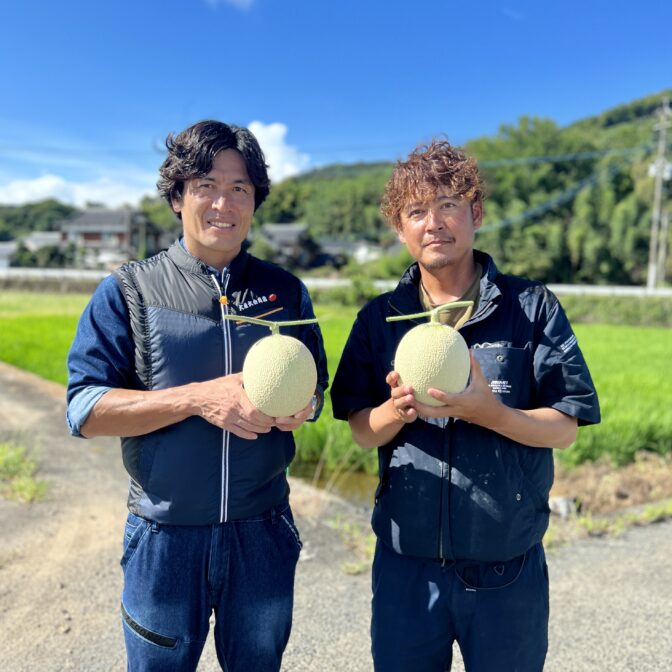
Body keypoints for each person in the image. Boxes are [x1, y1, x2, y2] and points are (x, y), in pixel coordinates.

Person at [66, 120, 328, 672]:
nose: (223, 204)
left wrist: (304, 407)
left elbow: (317, 386)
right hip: (164, 537)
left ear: (255, 201)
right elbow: (85, 409)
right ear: (177, 196)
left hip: (262, 532)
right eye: (206, 185)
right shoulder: (129, 290)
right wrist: (196, 399)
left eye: (239, 188)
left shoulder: (286, 292)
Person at [330, 139, 600, 672]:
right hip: (406, 568)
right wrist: (395, 411)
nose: (433, 223)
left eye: (448, 204)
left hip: (507, 568)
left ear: (475, 213)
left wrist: (489, 413)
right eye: (416, 211)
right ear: (400, 229)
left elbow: (565, 426)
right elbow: (362, 430)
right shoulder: (380, 319)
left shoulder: (531, 307)